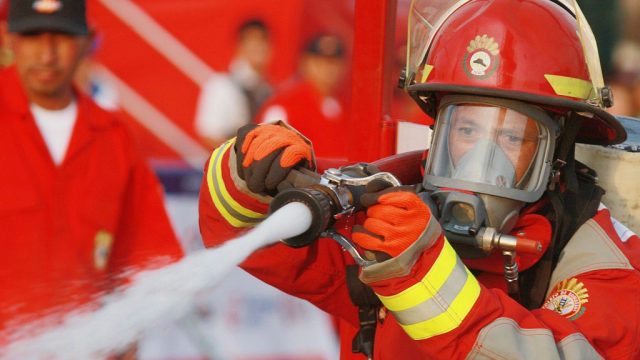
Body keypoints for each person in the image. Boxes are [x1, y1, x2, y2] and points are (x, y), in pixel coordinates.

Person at [199, 0, 640, 359]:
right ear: (437, 134)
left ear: (557, 152)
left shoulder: (605, 262)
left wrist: (421, 275)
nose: (482, 157)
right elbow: (248, 239)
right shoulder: (389, 221)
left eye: (510, 135)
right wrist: (246, 176)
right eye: (465, 131)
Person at [0, 0, 183, 341]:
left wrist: (131, 326)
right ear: (8, 39)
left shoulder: (113, 138)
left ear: (87, 41)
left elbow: (148, 255)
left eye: (62, 37)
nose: (47, 54)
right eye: (33, 36)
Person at [257, 33, 349, 167]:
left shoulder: (350, 108)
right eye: (320, 63)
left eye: (334, 62)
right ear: (305, 63)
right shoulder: (283, 105)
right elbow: (265, 158)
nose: (328, 69)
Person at [194, 18, 273, 149]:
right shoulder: (221, 86)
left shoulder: (269, 90)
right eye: (253, 41)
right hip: (233, 164)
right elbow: (210, 135)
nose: (260, 47)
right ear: (240, 45)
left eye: (264, 40)